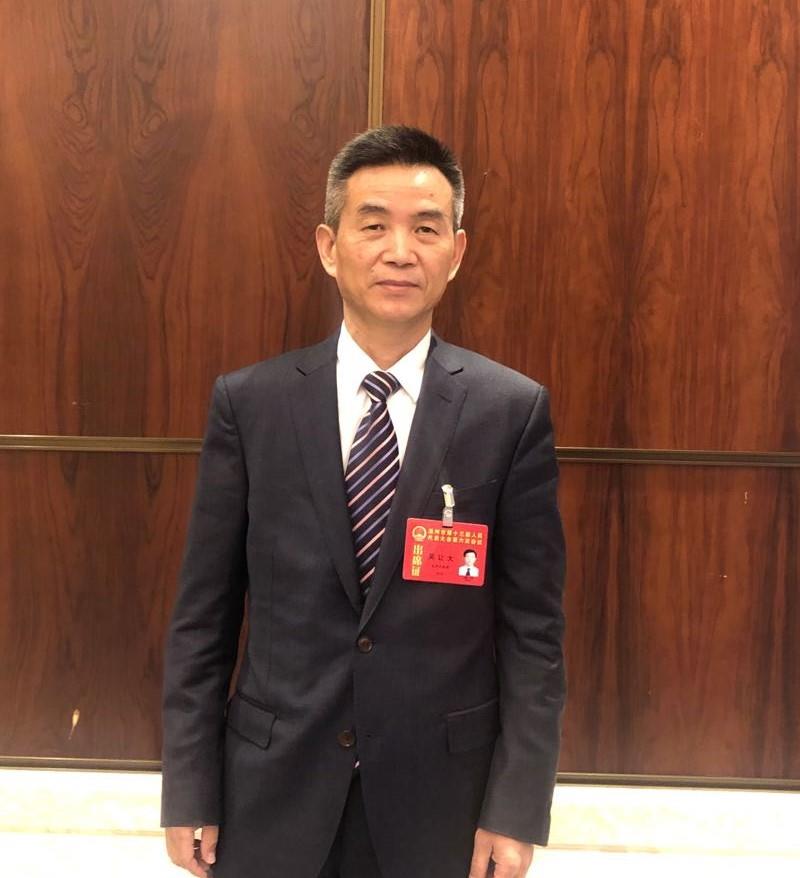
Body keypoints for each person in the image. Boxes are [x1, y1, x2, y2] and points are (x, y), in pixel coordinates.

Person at [161, 125, 566, 878]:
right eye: (373, 225)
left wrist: (515, 809)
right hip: (271, 792)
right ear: (329, 246)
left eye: (426, 229)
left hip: (442, 803)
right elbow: (202, 619)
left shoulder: (509, 412)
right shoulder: (251, 405)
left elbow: (534, 636)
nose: (399, 251)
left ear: (457, 252)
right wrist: (189, 787)